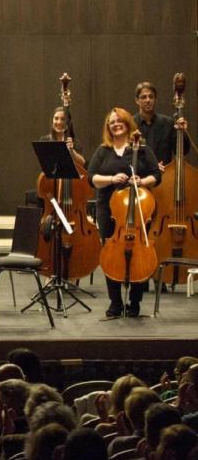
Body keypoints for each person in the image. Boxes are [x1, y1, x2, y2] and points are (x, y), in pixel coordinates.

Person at [87, 107, 160, 317]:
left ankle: (135, 302)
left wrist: (142, 180)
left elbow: (156, 174)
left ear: (128, 123)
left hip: (138, 208)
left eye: (119, 121)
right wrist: (111, 179)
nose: (116, 124)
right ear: (108, 127)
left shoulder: (141, 149)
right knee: (111, 253)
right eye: (112, 122)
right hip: (108, 209)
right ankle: (115, 302)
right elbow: (91, 177)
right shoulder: (104, 150)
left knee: (139, 253)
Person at [133, 81, 189, 172]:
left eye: (151, 97)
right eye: (143, 97)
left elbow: (183, 151)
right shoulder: (131, 124)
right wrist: (152, 167)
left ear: (155, 99)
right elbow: (126, 158)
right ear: (137, 100)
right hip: (140, 179)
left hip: (165, 176)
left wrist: (182, 133)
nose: (148, 100)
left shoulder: (168, 123)